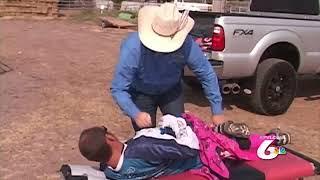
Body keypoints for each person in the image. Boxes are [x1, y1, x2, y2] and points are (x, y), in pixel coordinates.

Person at [110, 3, 224, 131]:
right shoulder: (133, 47)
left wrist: (217, 111)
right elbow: (118, 88)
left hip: (171, 91)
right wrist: (135, 113)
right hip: (140, 93)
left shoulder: (187, 45)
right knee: (146, 138)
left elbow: (207, 74)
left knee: (179, 133)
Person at [78, 114, 291, 180]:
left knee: (230, 139)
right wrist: (179, 125)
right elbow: (188, 150)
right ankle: (276, 142)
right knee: (237, 144)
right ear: (110, 139)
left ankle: (266, 140)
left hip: (176, 160)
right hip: (204, 156)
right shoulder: (143, 148)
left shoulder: (115, 173)